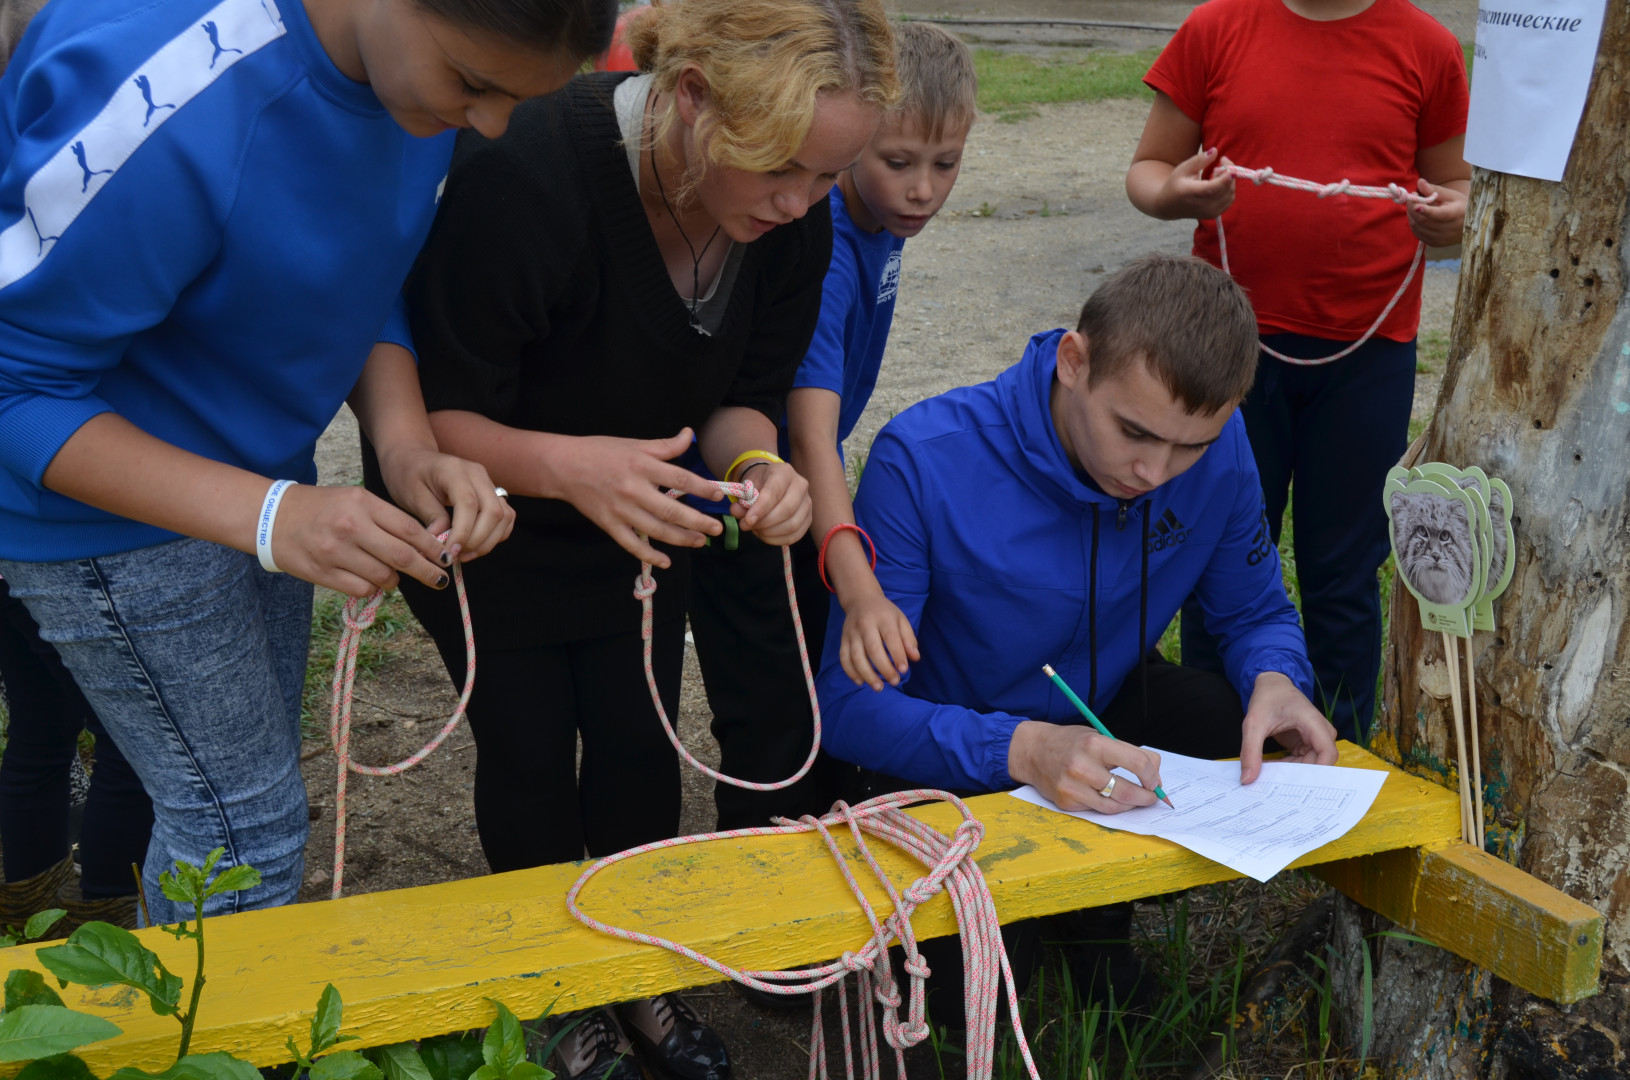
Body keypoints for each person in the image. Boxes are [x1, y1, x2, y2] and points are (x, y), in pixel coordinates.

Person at [0, 0, 617, 922]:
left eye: (515, 102)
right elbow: (16, 384)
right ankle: (209, 1059)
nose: (488, 127)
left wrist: (407, 446)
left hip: (263, 476)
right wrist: (270, 515)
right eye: (476, 86)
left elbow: (360, 267)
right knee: (240, 828)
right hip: (101, 507)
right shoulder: (172, 93)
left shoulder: (409, 81)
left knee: (241, 796)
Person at [367, 1, 896, 1075]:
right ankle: (559, 1001)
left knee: (637, 754)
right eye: (782, 167)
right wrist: (574, 466)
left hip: (636, 527)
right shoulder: (530, 179)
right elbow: (432, 419)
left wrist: (757, 472)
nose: (801, 203)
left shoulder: (792, 221)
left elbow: (742, 399)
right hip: (486, 519)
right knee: (526, 754)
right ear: (691, 98)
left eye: (828, 178)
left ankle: (640, 983)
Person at [816, 253, 1339, 1025]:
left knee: (1227, 720)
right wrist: (1019, 751)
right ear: (1073, 361)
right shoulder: (925, 461)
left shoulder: (1216, 452)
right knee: (978, 1008)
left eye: (1188, 446)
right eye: (1133, 431)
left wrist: (1277, 674)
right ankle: (1021, 923)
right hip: (956, 755)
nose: (1155, 470)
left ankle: (1097, 921)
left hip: (1103, 712)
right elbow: (849, 706)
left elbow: (1254, 611)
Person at [1125, 0, 1470, 742]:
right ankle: (1217, 745)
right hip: (1223, 350)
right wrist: (1173, 192)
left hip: (1366, 355)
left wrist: (1452, 217)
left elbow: (1457, 186)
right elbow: (1148, 170)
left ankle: (1335, 755)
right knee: (1220, 550)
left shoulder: (1428, 47)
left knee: (1343, 568)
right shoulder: (1217, 29)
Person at [688, 19, 976, 837]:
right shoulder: (831, 246)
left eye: (945, 164)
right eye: (897, 162)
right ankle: (769, 933)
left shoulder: (883, 221)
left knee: (812, 702)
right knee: (771, 722)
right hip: (752, 503)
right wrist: (861, 594)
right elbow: (811, 435)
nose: (923, 188)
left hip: (802, 505)